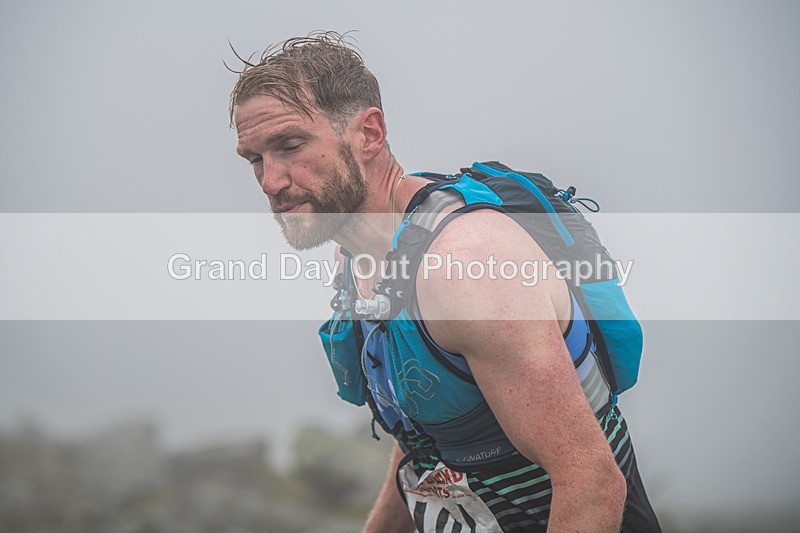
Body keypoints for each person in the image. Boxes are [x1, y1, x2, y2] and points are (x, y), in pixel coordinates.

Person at [230, 32, 660, 532]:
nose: (270, 181)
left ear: (369, 134)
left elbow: (591, 480)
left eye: (290, 146)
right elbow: (424, 424)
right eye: (256, 158)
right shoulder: (356, 257)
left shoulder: (464, 267)